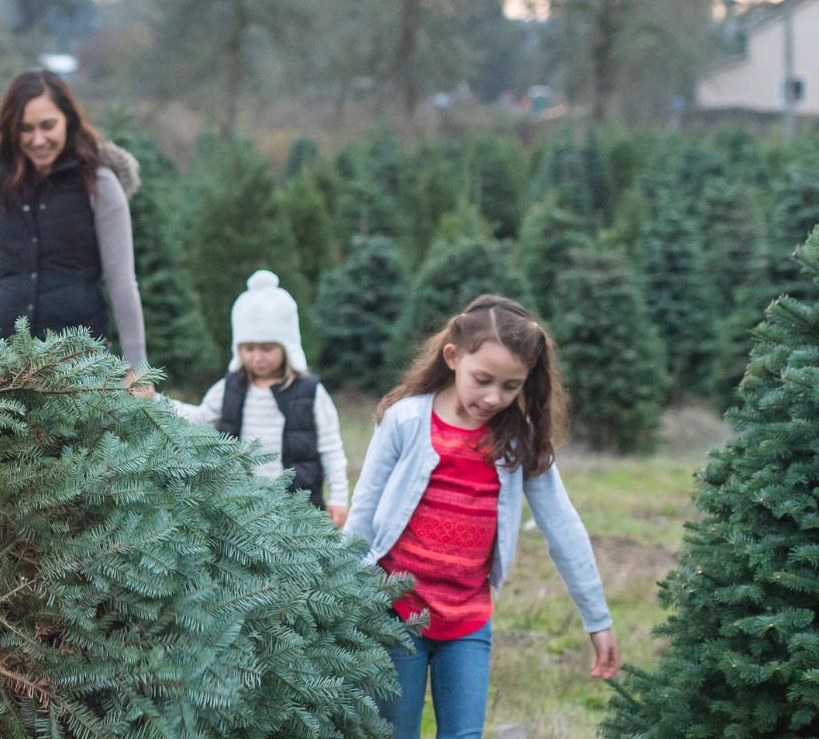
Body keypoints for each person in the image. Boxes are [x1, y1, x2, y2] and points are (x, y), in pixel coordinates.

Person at [345, 295, 620, 739]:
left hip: (467, 623)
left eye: (511, 386)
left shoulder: (518, 440)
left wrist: (598, 619)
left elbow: (562, 526)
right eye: (483, 380)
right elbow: (363, 514)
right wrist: (336, 596)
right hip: (394, 613)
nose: (494, 397)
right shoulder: (405, 420)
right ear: (453, 357)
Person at [0, 69, 151, 395]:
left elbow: (122, 282)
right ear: (12, 130)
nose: (38, 139)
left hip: (81, 365)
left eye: (48, 125)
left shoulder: (100, 184)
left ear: (67, 119)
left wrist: (138, 368)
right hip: (7, 365)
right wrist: (10, 305)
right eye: (26, 129)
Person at [195, 270, 348, 526]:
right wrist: (154, 402)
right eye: (249, 348)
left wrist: (339, 498)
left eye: (267, 348)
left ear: (286, 345)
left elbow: (330, 447)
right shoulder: (230, 387)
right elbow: (200, 418)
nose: (257, 357)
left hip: (296, 508)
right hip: (241, 506)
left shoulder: (309, 391)